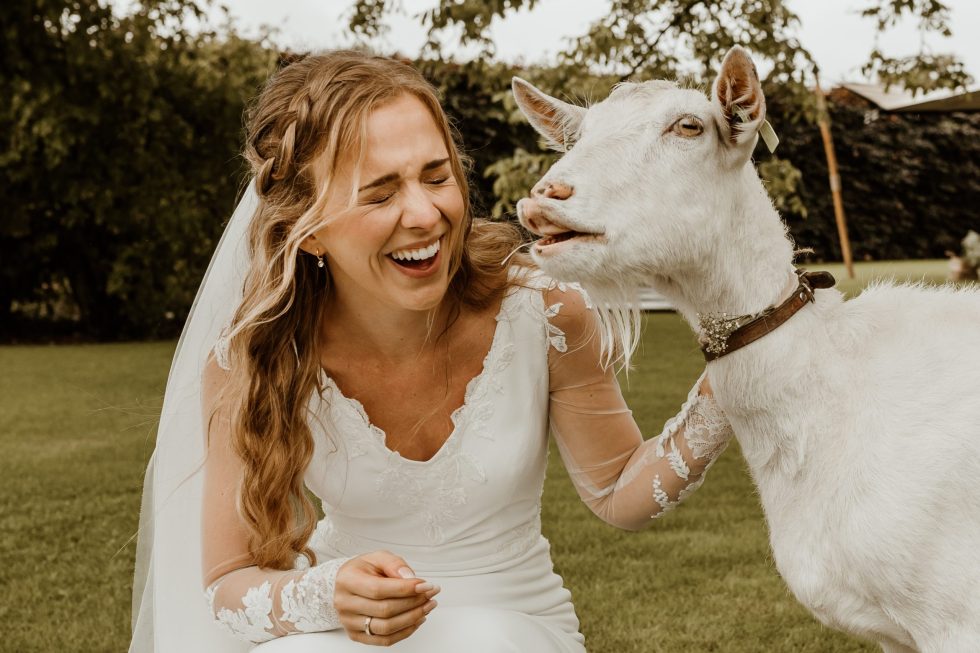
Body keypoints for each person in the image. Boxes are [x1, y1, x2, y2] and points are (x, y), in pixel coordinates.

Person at [129, 50, 733, 653]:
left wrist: (727, 389)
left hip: (513, 623)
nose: (425, 215)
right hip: (344, 634)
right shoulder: (254, 359)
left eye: (437, 176)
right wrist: (327, 591)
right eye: (379, 193)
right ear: (307, 229)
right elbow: (228, 587)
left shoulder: (543, 313)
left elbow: (618, 490)